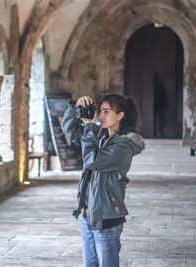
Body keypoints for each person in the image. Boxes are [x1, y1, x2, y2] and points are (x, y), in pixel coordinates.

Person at [62, 94, 145, 266]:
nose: (101, 116)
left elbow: (92, 160)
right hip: (88, 214)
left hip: (107, 218)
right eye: (100, 111)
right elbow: (70, 130)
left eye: (107, 112)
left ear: (120, 115)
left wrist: (90, 127)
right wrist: (74, 107)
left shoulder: (124, 146)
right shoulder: (100, 135)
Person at [153, 73, 168, 138]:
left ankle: (160, 132)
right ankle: (155, 132)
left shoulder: (161, 86)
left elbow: (165, 96)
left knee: (161, 119)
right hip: (155, 105)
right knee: (155, 120)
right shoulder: (151, 87)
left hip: (160, 105)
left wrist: (165, 104)